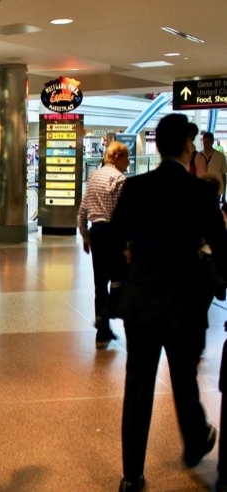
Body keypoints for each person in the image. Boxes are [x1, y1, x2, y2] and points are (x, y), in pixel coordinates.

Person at [111, 114, 227, 492]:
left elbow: (113, 239)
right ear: (187, 147)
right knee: (184, 378)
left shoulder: (135, 187)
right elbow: (222, 250)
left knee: (138, 384)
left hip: (141, 300)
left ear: (158, 147)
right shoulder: (201, 194)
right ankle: (195, 442)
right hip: (185, 303)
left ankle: (132, 475)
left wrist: (125, 270)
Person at [77, 141, 129, 348]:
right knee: (120, 279)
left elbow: (83, 210)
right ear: (117, 157)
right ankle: (108, 314)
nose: (128, 162)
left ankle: (102, 329)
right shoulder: (120, 179)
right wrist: (127, 244)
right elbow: (123, 215)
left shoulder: (93, 176)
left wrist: (85, 236)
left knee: (100, 283)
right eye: (126, 157)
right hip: (113, 234)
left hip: (96, 234)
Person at [196, 131, 227, 203]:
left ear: (212, 142)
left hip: (217, 189)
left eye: (208, 143)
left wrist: (224, 194)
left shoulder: (220, 156)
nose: (205, 145)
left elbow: (224, 175)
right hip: (203, 189)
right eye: (204, 143)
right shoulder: (199, 156)